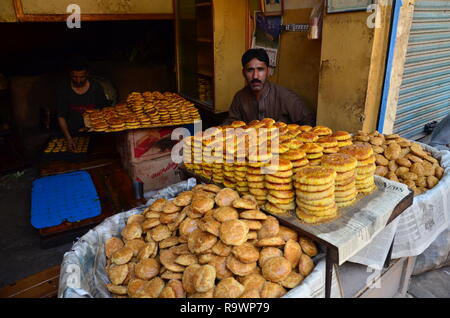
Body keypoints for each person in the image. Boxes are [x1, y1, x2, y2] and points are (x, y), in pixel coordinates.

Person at [224, 48, 315, 126]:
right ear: (243, 73)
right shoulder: (240, 97)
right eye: (250, 70)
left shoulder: (284, 96)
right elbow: (230, 124)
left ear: (268, 71)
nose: (255, 76)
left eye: (260, 69)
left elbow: (308, 119)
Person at [57, 58, 110, 151]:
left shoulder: (96, 87)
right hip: (73, 134)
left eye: (81, 77)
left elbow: (105, 110)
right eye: (74, 77)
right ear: (70, 74)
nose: (78, 80)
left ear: (87, 74)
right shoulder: (64, 89)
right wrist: (68, 139)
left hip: (95, 134)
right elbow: (61, 116)